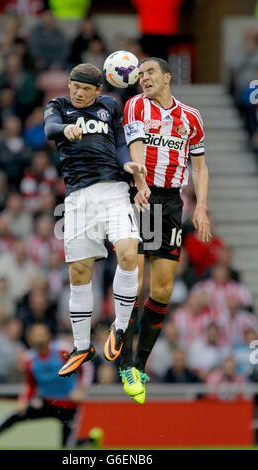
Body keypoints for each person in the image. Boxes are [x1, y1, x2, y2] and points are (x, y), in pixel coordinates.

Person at [43, 63, 147, 378]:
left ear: (98, 91)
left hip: (114, 191)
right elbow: (49, 129)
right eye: (74, 86)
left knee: (129, 253)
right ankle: (81, 346)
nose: (77, 92)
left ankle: (118, 327)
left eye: (85, 89)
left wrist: (128, 163)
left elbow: (118, 142)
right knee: (78, 273)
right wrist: (65, 129)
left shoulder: (110, 107)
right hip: (77, 198)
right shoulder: (58, 107)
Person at [119, 57, 211, 404]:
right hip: (140, 196)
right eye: (139, 75)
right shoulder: (135, 107)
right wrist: (140, 181)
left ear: (167, 77)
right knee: (134, 281)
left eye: (150, 73)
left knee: (163, 289)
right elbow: (136, 149)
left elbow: (200, 167)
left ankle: (140, 364)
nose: (144, 79)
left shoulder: (191, 117)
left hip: (171, 202)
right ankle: (126, 364)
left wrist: (200, 206)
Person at [0, 323, 98, 449]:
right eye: (35, 335)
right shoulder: (30, 359)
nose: (39, 337)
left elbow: (86, 365)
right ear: (30, 339)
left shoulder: (62, 350)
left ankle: (91, 440)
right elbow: (31, 383)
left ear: (48, 335)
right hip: (47, 402)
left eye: (41, 334)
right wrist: (24, 400)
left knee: (67, 446)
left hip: (69, 405)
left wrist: (82, 389)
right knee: (14, 416)